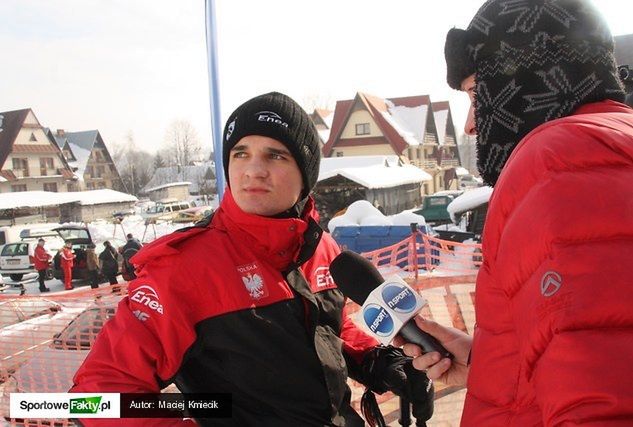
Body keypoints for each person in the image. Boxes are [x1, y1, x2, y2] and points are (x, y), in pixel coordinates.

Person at [71, 92, 434, 426]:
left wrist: (377, 361)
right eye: (240, 153)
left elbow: (326, 329)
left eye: (275, 155)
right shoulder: (181, 268)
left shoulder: (323, 248)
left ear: (306, 175)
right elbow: (96, 398)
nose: (252, 170)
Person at [402, 0, 633, 425]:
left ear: (525, 79)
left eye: (475, 94)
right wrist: (486, 364)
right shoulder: (609, 145)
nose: (471, 124)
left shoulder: (556, 162)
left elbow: (602, 405)